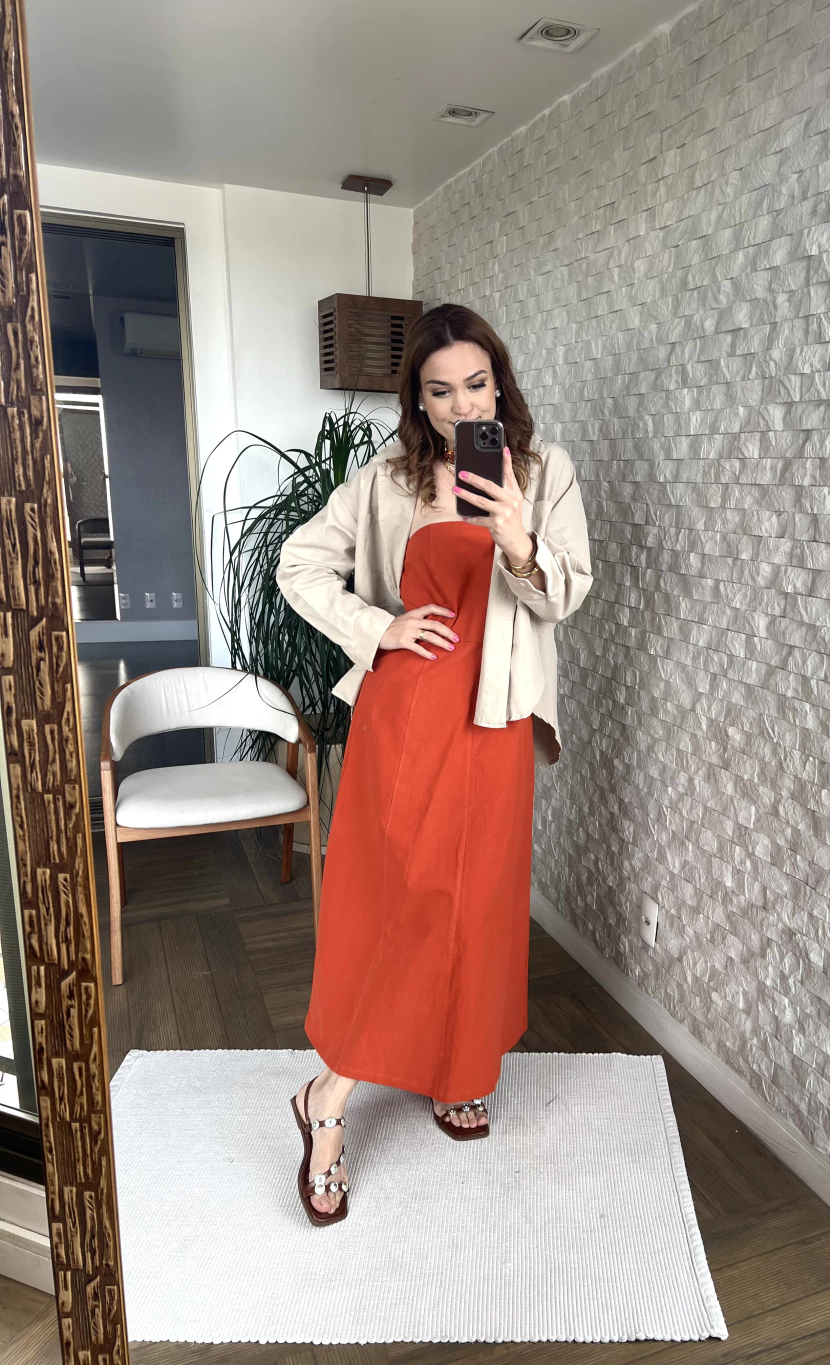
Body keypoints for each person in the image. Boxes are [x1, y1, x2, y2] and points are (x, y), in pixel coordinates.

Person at [276, 303, 593, 1224]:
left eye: (477, 384)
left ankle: (459, 1070)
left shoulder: (544, 472)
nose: (463, 407)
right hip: (410, 713)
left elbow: (568, 592)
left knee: (479, 899)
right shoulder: (386, 479)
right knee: (409, 900)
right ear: (417, 398)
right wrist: (379, 627)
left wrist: (518, 537)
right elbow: (300, 565)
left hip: (497, 719)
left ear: (500, 383)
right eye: (441, 390)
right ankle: (327, 1097)